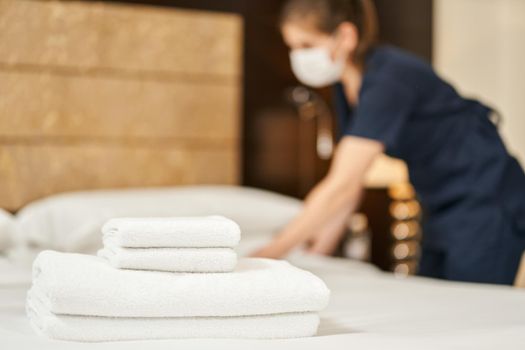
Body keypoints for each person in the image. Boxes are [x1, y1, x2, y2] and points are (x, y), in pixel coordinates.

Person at [252, 0, 525, 285]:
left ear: (345, 36)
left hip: (487, 200)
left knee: (472, 310)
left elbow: (340, 186)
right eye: (292, 47)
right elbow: (350, 190)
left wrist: (270, 254)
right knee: (437, 303)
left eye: (307, 45)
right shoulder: (346, 90)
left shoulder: (389, 78)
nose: (298, 57)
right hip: (440, 206)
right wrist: (316, 257)